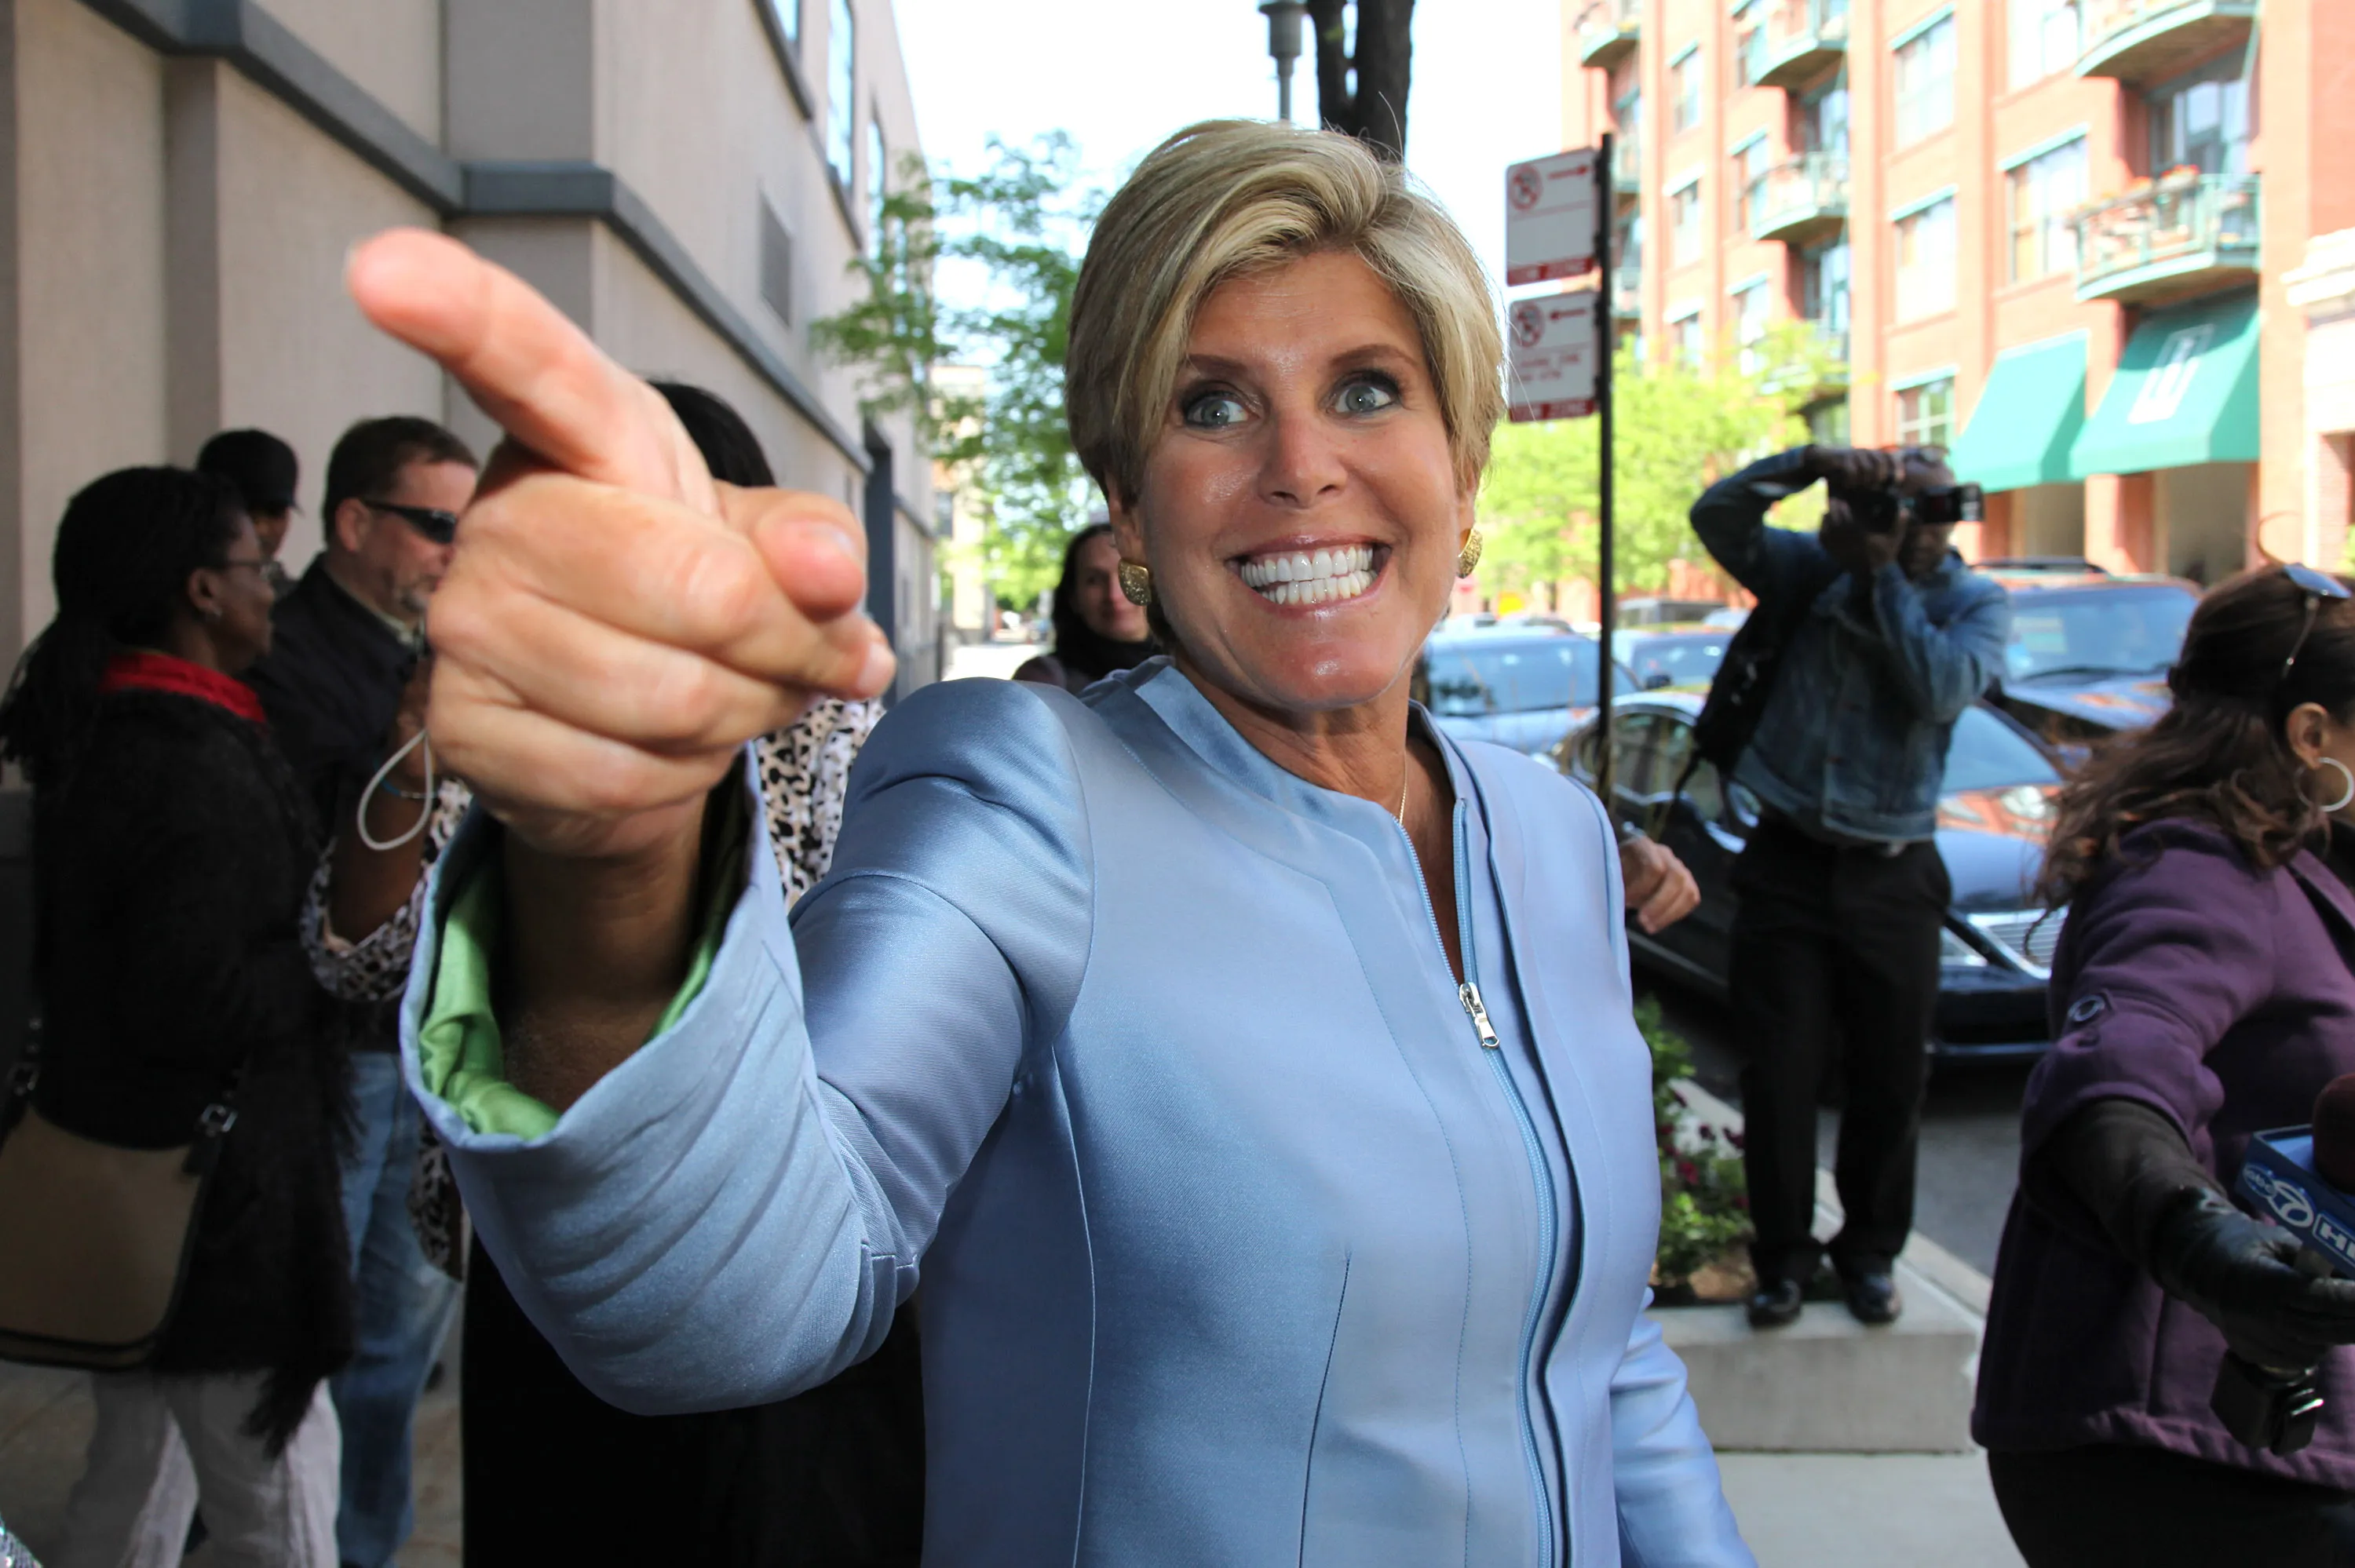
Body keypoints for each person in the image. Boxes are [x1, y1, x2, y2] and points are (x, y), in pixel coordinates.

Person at [352, 119, 1751, 1565]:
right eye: (1211, 406)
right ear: (1127, 513)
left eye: (1368, 388)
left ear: (1463, 476)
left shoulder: (1557, 838)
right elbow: (728, 1302)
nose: (1300, 465)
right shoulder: (1022, 799)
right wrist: (617, 855)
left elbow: (1600, 1355)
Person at [301, 381, 920, 1563]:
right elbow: (359, 957)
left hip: (790, 1269)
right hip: (552, 1284)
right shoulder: (510, 730)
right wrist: (414, 747)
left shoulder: (844, 727)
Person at [2, 468, 348, 1566]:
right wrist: (332, 961)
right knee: (279, 1508)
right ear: (202, 589)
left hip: (167, 1193)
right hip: (220, 1209)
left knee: (133, 1482)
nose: (272, 592)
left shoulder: (132, 731)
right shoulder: (179, 757)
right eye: (260, 569)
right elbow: (191, 993)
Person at [1976, 566, 2355, 1566]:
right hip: (2181, 1456)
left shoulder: (2300, 859)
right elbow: (2117, 1069)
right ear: (2313, 736)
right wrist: (2206, 1246)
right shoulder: (2200, 868)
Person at [1688, 445, 2010, 1329]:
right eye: (1901, 504)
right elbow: (1717, 516)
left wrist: (1881, 584)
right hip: (1789, 861)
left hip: (1895, 871)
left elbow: (1941, 690)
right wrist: (1809, 462)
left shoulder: (1973, 601)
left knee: (1890, 1079)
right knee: (1779, 1077)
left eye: (1940, 505)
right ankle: (1783, 1259)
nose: (1922, 523)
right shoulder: (1808, 568)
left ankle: (1869, 1255)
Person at [242, 414, 477, 1568]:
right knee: (318, 1341)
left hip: (419, 1038)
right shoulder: (277, 653)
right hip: (332, 1047)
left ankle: (364, 1547)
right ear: (352, 522)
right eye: (439, 523)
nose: (456, 548)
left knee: (398, 1340)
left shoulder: (412, 643)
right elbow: (323, 866)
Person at [1013, 520, 1156, 693]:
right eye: (1093, 580)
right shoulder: (1042, 682)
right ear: (1074, 598)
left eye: (1130, 575)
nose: (1114, 594)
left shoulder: (1190, 671)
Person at [196, 428, 301, 597]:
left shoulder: (302, 606)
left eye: (274, 512)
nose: (261, 529)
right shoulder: (167, 601)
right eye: (245, 511)